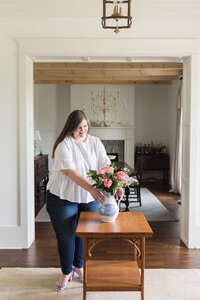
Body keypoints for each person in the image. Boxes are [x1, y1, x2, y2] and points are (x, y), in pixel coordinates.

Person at [46, 110, 122, 292]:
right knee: (66, 237)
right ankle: (66, 272)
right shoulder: (64, 144)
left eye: (85, 126)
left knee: (83, 234)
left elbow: (104, 163)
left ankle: (78, 266)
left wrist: (116, 184)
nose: (83, 130)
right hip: (62, 197)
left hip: (87, 196)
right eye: (79, 127)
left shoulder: (95, 141)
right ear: (71, 127)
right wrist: (93, 189)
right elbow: (71, 172)